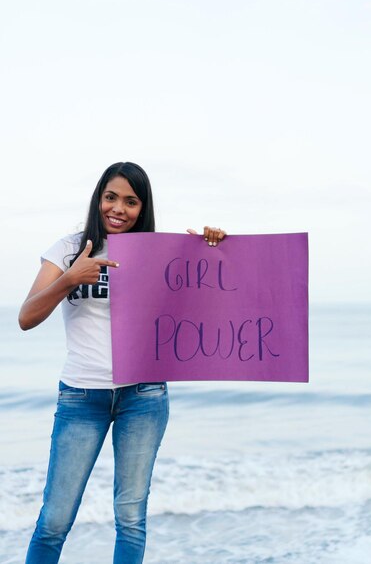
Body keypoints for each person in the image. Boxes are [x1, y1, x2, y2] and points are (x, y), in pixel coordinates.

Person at [19, 161, 226, 564]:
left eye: (131, 201)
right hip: (82, 397)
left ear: (142, 208)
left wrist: (211, 247)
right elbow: (26, 317)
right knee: (55, 520)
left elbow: (209, 300)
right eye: (111, 197)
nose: (119, 208)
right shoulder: (68, 249)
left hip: (144, 396)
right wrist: (69, 278)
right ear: (98, 199)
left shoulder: (163, 254)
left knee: (131, 518)